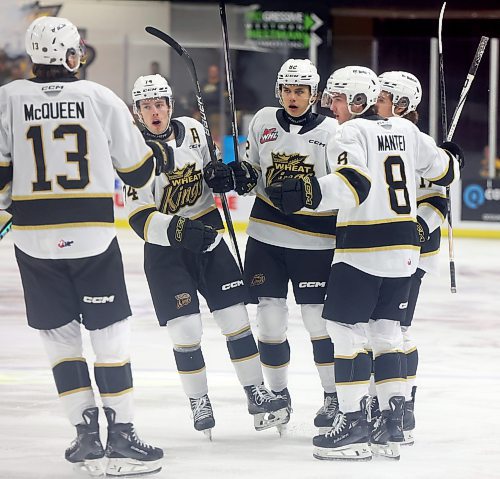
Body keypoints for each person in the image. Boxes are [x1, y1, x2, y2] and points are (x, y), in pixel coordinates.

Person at [266, 65, 462, 460]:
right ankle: (393, 426)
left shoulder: (350, 132)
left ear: (358, 101)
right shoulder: (407, 131)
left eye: (337, 98)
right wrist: (448, 155)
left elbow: (354, 184)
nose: (330, 106)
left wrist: (307, 191)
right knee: (387, 333)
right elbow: (447, 172)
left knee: (344, 332)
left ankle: (353, 425)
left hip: (364, 250)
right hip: (404, 253)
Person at [0, 17, 163, 476]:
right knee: (109, 337)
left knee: (60, 340)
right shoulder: (99, 97)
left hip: (34, 240)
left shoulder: (7, 98)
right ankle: (123, 435)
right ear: (72, 55)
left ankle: (86, 434)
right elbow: (138, 173)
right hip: (92, 236)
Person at [125, 73, 288, 439]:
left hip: (209, 237)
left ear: (170, 105)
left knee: (235, 320)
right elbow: (138, 217)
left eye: (160, 104)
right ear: (137, 112)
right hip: (168, 250)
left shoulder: (195, 131)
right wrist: (178, 230)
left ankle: (255, 391)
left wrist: (220, 176)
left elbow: (213, 173)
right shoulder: (134, 154)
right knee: (186, 331)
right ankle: (199, 400)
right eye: (147, 106)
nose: (155, 112)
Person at [227, 58, 340, 432]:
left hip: (315, 241)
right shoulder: (261, 121)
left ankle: (332, 395)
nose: (293, 97)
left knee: (316, 322)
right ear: (279, 91)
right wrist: (241, 176)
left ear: (314, 94)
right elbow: (251, 169)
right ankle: (278, 397)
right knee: (270, 321)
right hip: (265, 237)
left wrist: (311, 196)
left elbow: (342, 187)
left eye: (301, 91)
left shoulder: (333, 131)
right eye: (288, 90)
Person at [374, 70, 449, 446]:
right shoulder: (373, 134)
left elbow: (438, 200)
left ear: (403, 105)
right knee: (380, 328)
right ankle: (387, 401)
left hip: (413, 254)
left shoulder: (420, 142)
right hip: (381, 249)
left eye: (385, 96)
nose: (378, 101)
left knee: (396, 328)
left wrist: (417, 230)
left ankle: (404, 404)